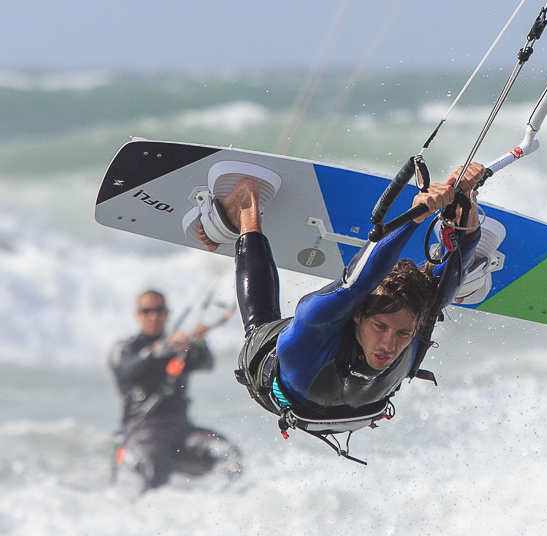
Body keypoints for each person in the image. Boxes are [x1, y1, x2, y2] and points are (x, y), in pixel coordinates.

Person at [194, 162, 486, 454]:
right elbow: (355, 283)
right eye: (380, 326)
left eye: (402, 333)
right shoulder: (312, 332)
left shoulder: (415, 326)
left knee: (440, 290)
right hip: (293, 369)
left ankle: (451, 250)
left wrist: (465, 203)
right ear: (358, 313)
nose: (388, 344)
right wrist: (414, 218)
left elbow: (455, 264)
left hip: (302, 401)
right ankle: (245, 207)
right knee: (260, 325)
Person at [109, 290, 241, 490]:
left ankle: (226, 510)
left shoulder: (180, 347)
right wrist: (158, 351)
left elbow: (205, 363)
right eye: (147, 311)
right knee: (155, 469)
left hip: (180, 430)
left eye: (159, 310)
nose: (153, 316)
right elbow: (126, 369)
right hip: (141, 431)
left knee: (228, 454)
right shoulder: (126, 348)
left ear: (167, 313)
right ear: (138, 315)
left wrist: (199, 341)